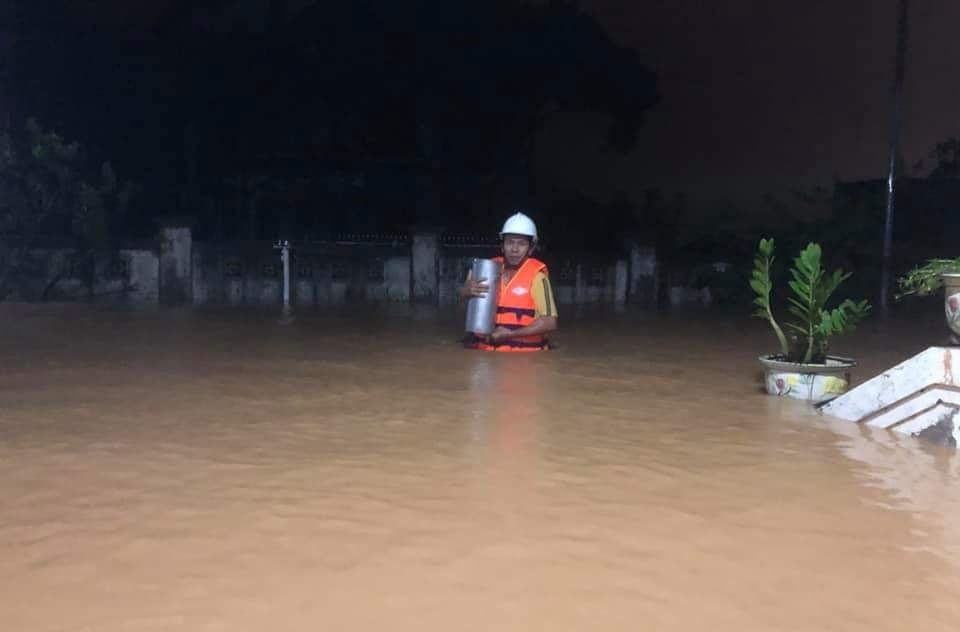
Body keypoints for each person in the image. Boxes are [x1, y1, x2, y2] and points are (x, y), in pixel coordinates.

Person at [461, 212, 558, 351]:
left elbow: (550, 323)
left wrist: (510, 335)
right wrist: (464, 293)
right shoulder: (487, 270)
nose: (514, 249)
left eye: (522, 244)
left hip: (523, 361)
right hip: (486, 355)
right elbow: (465, 310)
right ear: (502, 246)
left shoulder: (538, 278)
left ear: (530, 249)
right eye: (510, 242)